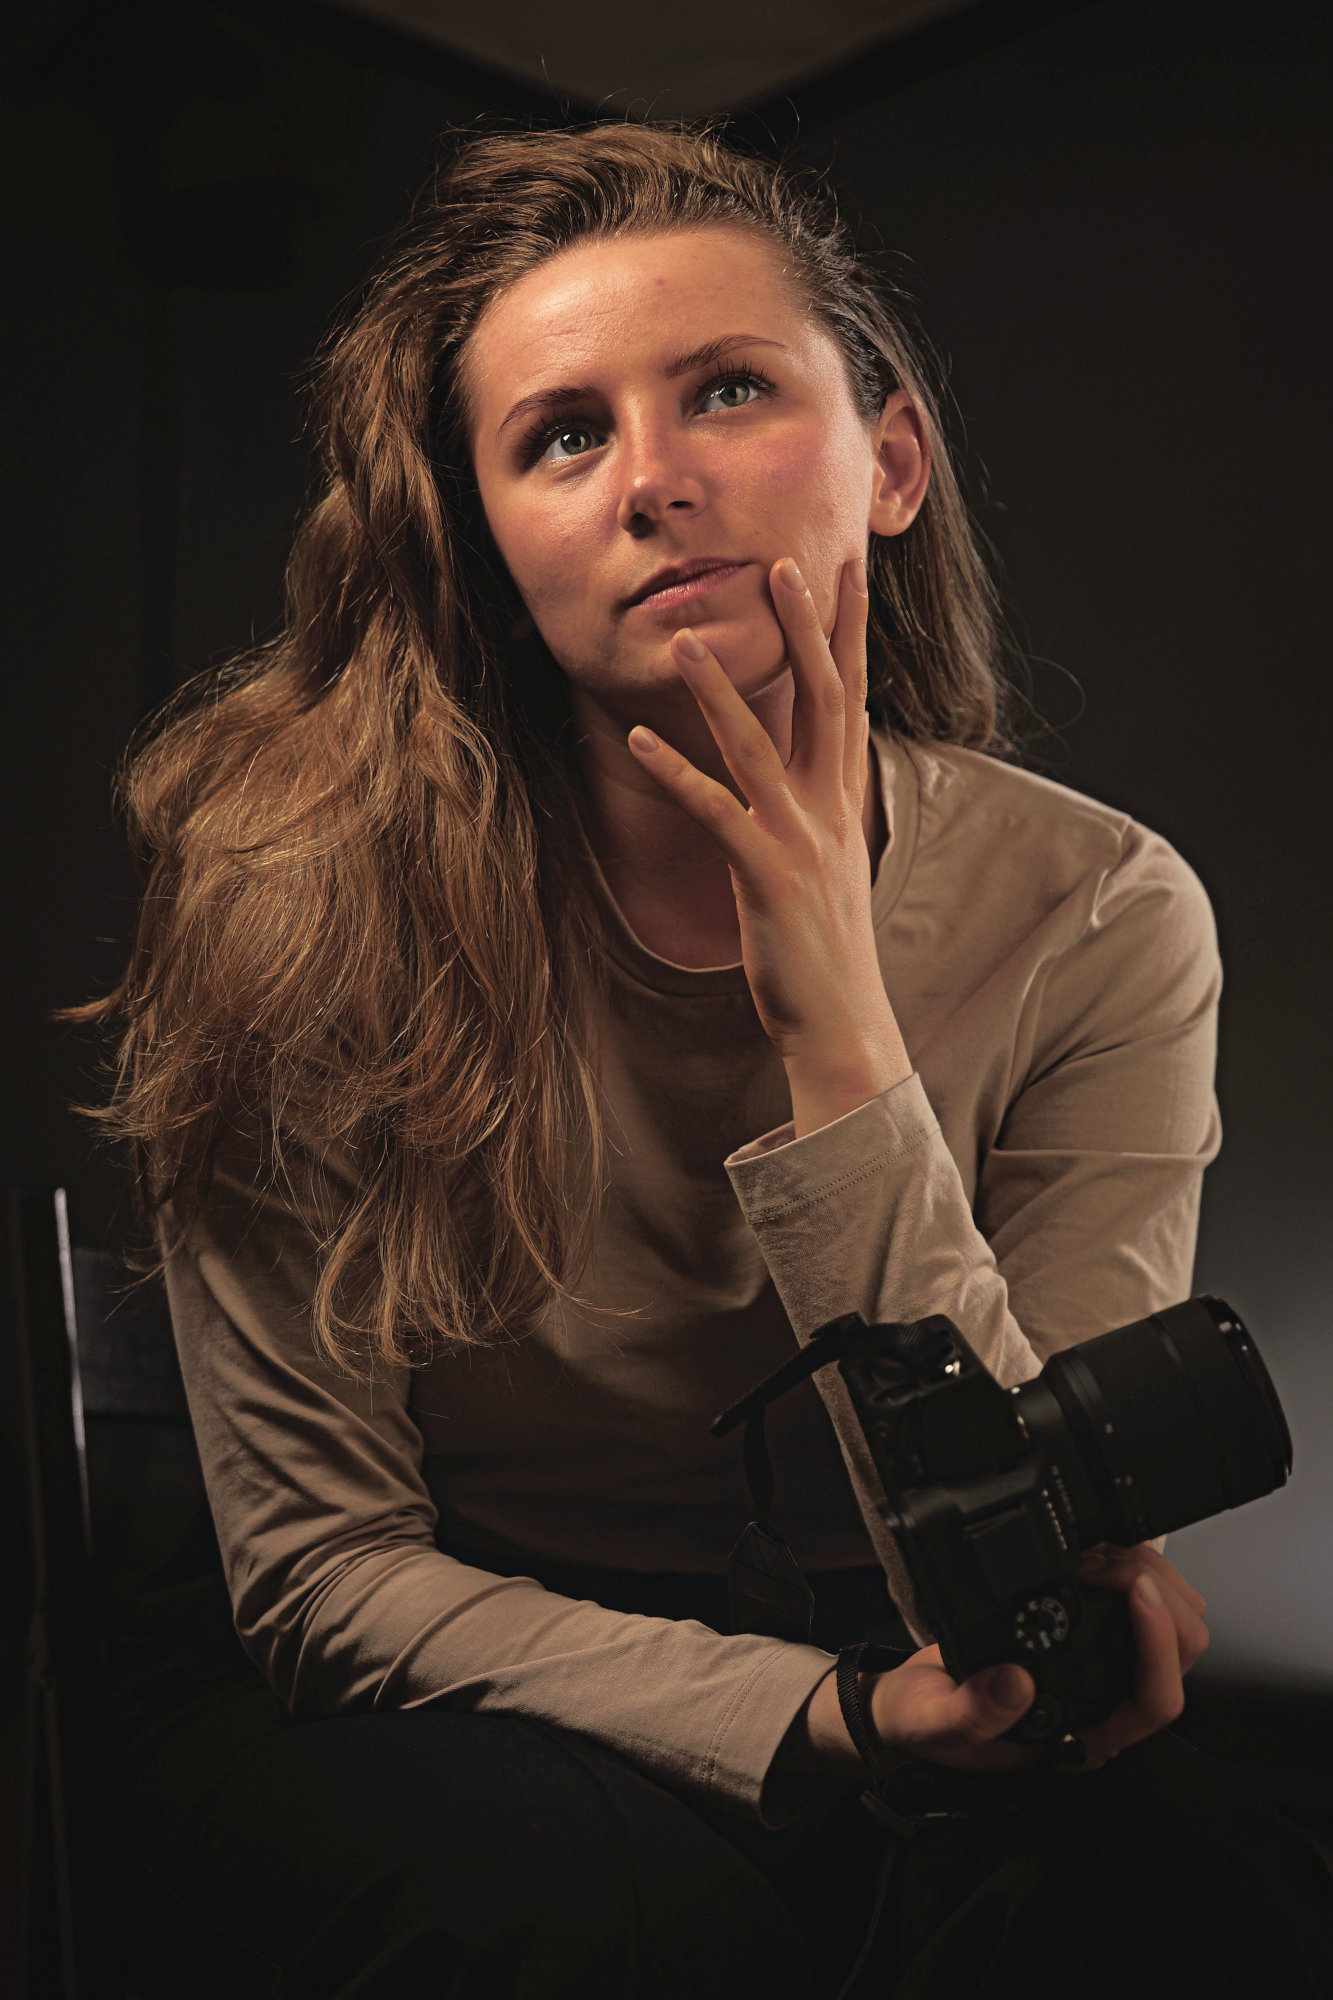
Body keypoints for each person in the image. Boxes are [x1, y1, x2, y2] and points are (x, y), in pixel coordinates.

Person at [83, 124, 1333, 1998]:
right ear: (491, 548)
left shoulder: (1097, 908)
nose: (653, 480)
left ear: (888, 463)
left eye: (728, 389)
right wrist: (826, 1719)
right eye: (560, 436)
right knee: (613, 1920)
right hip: (450, 1671)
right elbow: (325, 1578)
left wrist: (838, 1034)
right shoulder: (296, 908)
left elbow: (1041, 1551)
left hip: (920, 1641)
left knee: (1205, 1889)